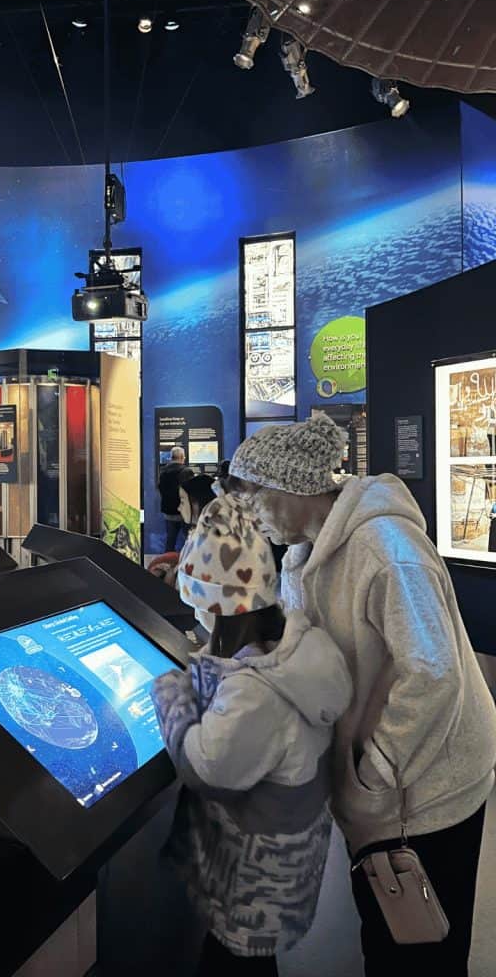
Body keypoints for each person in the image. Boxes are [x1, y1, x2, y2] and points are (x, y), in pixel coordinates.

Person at [227, 414, 496, 975]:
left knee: (419, 944)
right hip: (382, 788)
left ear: (295, 487)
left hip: (428, 789)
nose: (248, 513)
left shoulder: (385, 549)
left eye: (254, 497)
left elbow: (433, 676)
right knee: (386, 934)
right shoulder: (305, 554)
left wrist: (374, 775)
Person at [152, 491, 352, 974]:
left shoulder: (255, 692)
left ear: (214, 607)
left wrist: (171, 694)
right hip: (288, 869)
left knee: (234, 965)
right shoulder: (296, 648)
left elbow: (207, 766)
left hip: (251, 885)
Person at [159, 446, 188, 552]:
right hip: (184, 513)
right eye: (183, 457)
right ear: (181, 457)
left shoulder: (163, 472)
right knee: (189, 540)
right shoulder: (186, 471)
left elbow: (161, 489)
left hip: (169, 512)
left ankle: (167, 565)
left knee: (170, 541)